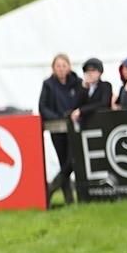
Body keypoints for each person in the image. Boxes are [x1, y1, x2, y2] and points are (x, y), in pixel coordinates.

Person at [38, 53, 81, 205]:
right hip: (57, 128)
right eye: (58, 66)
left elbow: (82, 101)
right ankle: (69, 200)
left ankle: (51, 188)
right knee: (64, 162)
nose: (61, 69)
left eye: (64, 65)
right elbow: (42, 106)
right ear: (53, 68)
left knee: (72, 161)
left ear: (69, 67)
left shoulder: (77, 83)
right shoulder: (48, 84)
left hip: (74, 127)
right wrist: (56, 117)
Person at [70, 58, 112, 125]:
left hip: (102, 122)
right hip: (86, 124)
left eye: (93, 70)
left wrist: (82, 110)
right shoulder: (81, 87)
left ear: (100, 72)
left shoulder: (105, 85)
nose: (90, 73)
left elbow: (103, 103)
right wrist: (84, 88)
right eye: (88, 71)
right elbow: (75, 105)